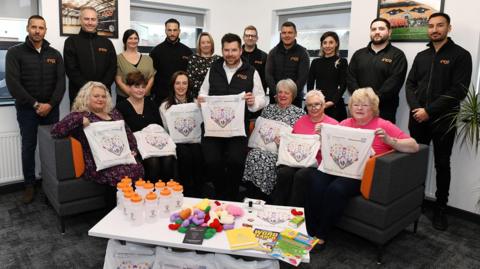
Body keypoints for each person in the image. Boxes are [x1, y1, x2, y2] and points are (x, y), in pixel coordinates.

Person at [305, 87, 419, 249]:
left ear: (373, 108)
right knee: (315, 180)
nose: (359, 108)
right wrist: (322, 134)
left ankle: (321, 234)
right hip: (338, 168)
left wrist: (389, 140)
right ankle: (310, 230)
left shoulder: (383, 125)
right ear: (350, 107)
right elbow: (332, 148)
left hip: (361, 174)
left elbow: (414, 146)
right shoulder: (345, 123)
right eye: (355, 104)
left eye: (364, 105)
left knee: (336, 189)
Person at [406, 12, 472, 231]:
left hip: (443, 119)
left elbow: (459, 91)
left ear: (448, 28)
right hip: (417, 118)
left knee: (442, 164)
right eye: (431, 26)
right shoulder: (421, 56)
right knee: (415, 162)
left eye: (440, 25)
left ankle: (440, 209)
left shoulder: (461, 55)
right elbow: (410, 84)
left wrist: (429, 110)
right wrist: (417, 109)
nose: (435, 29)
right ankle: (414, 202)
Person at [51, 82, 144, 209]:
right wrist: (79, 121)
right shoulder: (80, 115)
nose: (100, 99)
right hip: (96, 162)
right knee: (120, 174)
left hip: (120, 156)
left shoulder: (114, 114)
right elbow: (56, 131)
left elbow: (128, 134)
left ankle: (133, 208)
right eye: (96, 96)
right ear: (86, 97)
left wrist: (133, 149)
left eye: (103, 96)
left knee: (136, 168)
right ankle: (114, 214)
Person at [198, 33, 266, 201]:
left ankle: (231, 195)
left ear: (240, 50)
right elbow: (203, 92)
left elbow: (262, 98)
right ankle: (222, 194)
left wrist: (252, 102)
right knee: (212, 161)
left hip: (238, 129)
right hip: (213, 128)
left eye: (234, 50)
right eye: (226, 50)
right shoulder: (214, 68)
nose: (230, 54)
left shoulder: (251, 71)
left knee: (236, 162)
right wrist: (201, 99)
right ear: (222, 50)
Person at [5, 15, 65, 204]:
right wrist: (35, 104)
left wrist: (50, 104)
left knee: (51, 148)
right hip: (27, 110)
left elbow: (61, 83)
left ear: (45, 30)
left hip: (51, 109)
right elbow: (13, 84)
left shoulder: (54, 54)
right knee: (28, 147)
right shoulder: (15, 53)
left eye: (41, 27)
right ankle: (29, 185)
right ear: (28, 28)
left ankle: (50, 185)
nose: (37, 31)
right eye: (34, 27)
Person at [271, 90, 338, 207]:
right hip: (296, 161)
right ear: (306, 106)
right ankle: (277, 208)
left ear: (323, 105)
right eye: (310, 105)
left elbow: (335, 152)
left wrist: (323, 139)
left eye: (317, 104)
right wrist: (280, 143)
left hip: (318, 164)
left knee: (301, 175)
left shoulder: (333, 124)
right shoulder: (300, 121)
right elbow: (292, 145)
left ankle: (294, 213)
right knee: (284, 173)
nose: (314, 108)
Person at [242, 79, 305, 201]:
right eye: (280, 92)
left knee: (266, 159)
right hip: (261, 147)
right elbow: (259, 128)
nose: (282, 95)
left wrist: (284, 141)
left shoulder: (299, 113)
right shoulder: (268, 109)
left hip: (281, 152)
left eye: (286, 93)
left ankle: (263, 197)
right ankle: (252, 196)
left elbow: (298, 139)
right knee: (254, 154)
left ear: (293, 95)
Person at [116, 71, 175, 182]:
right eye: (136, 86)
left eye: (143, 87)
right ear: (129, 87)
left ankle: (167, 193)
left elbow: (160, 126)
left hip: (155, 143)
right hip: (135, 146)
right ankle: (151, 194)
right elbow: (120, 133)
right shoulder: (121, 107)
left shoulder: (151, 103)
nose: (141, 90)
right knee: (153, 161)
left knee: (168, 158)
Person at [347, 18, 407, 123]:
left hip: (384, 110)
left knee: (381, 138)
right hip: (359, 109)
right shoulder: (359, 54)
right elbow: (350, 78)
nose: (377, 32)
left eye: (381, 28)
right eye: (373, 29)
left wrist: (371, 101)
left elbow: (394, 82)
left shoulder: (397, 55)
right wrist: (361, 100)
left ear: (389, 32)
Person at [160, 71, 204, 197]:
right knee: (185, 155)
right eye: (177, 83)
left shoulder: (196, 103)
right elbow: (166, 129)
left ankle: (199, 191)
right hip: (176, 142)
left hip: (195, 140)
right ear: (172, 85)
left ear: (188, 85)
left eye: (184, 83)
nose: (181, 86)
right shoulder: (165, 106)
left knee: (197, 153)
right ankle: (187, 192)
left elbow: (201, 123)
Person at [64, 6, 116, 105]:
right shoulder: (71, 42)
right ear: (80, 20)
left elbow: (112, 68)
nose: (90, 22)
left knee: (103, 120)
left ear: (97, 21)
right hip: (80, 95)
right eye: (86, 19)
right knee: (82, 121)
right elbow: (71, 70)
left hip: (103, 96)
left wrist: (100, 89)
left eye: (93, 19)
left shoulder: (107, 43)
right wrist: (89, 89)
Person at [265, 21, 310, 107]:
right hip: (275, 98)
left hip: (295, 99)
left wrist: (291, 94)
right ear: (281, 34)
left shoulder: (303, 53)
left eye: (290, 32)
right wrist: (277, 94)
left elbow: (303, 77)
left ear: (295, 34)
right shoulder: (273, 52)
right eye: (284, 33)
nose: (287, 35)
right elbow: (268, 75)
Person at [150, 18, 193, 106]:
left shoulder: (187, 52)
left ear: (179, 31)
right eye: (169, 30)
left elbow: (190, 75)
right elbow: (151, 75)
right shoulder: (156, 51)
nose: (172, 33)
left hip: (182, 97)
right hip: (161, 97)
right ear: (165, 31)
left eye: (175, 30)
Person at [307, 31, 348, 122]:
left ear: (336, 44)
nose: (327, 45)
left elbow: (343, 84)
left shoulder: (342, 61)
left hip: (335, 104)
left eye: (331, 42)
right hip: (317, 103)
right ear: (321, 45)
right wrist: (312, 100)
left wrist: (332, 101)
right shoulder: (315, 62)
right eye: (324, 43)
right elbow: (310, 84)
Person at [115, 29, 155, 104]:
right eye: (130, 38)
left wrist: (143, 92)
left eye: (135, 38)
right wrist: (133, 94)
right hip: (125, 99)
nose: (133, 41)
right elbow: (118, 81)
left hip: (145, 98)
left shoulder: (148, 59)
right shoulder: (118, 58)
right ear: (125, 40)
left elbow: (151, 78)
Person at [187, 32, 221, 97]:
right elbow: (190, 81)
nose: (206, 45)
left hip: (214, 97)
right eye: (203, 43)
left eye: (208, 42)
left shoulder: (218, 59)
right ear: (199, 45)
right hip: (196, 98)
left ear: (212, 44)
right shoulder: (193, 59)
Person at [242, 25, 268, 92]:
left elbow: (267, 78)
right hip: (239, 93)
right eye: (247, 35)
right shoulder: (237, 54)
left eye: (253, 36)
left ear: (257, 38)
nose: (250, 38)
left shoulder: (264, 56)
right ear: (243, 38)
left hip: (258, 95)